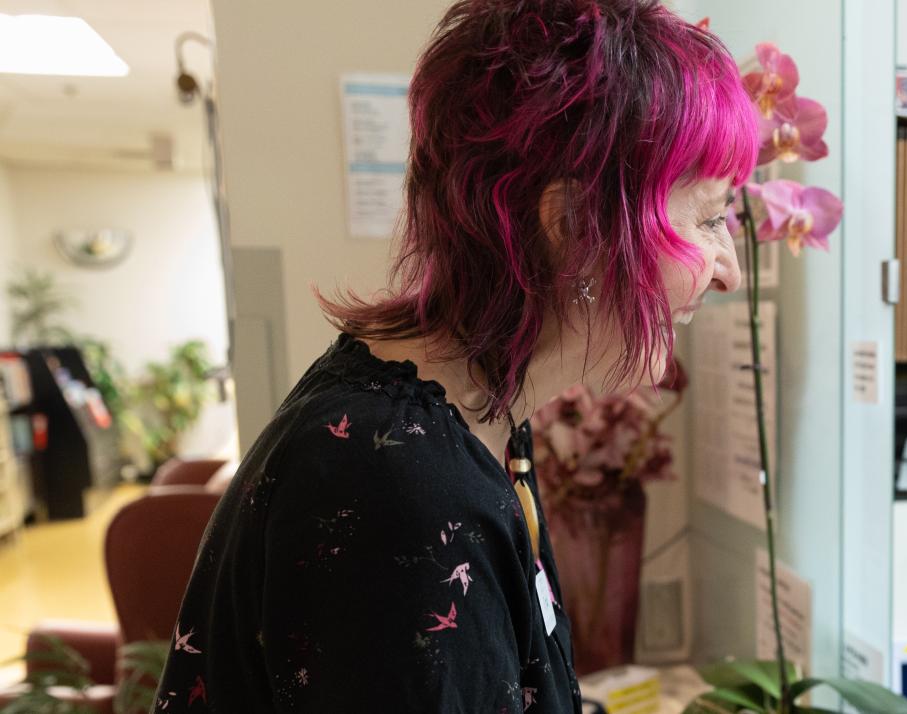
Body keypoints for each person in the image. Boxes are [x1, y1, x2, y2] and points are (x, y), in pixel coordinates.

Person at [154, 0, 754, 710]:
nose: (728, 270)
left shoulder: (471, 417)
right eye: (710, 218)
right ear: (574, 226)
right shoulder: (397, 485)